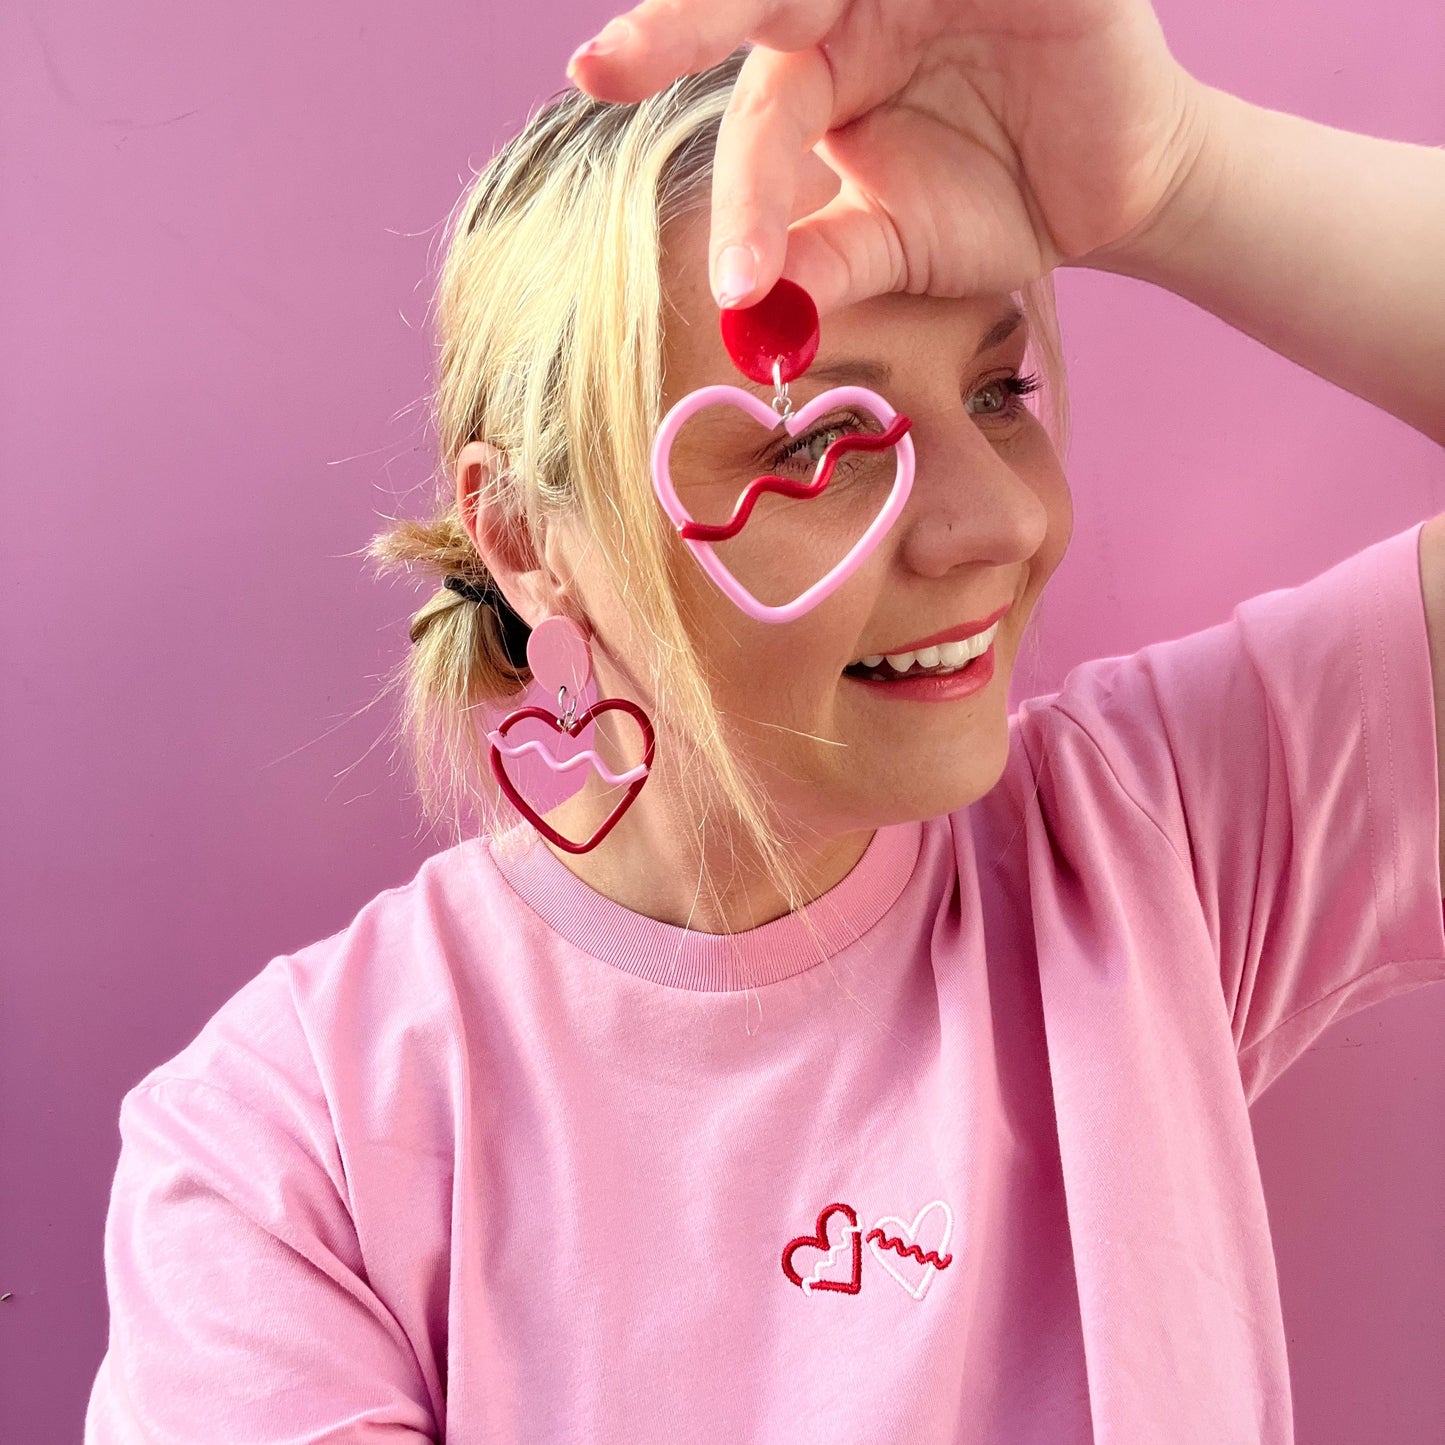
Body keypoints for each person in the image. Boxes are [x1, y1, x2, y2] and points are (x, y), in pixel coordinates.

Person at [85, 1, 1445, 1441]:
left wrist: (1178, 174)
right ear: (526, 536)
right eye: (812, 445)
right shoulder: (286, 1148)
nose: (998, 522)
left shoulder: (1149, 841)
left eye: (998, 390)